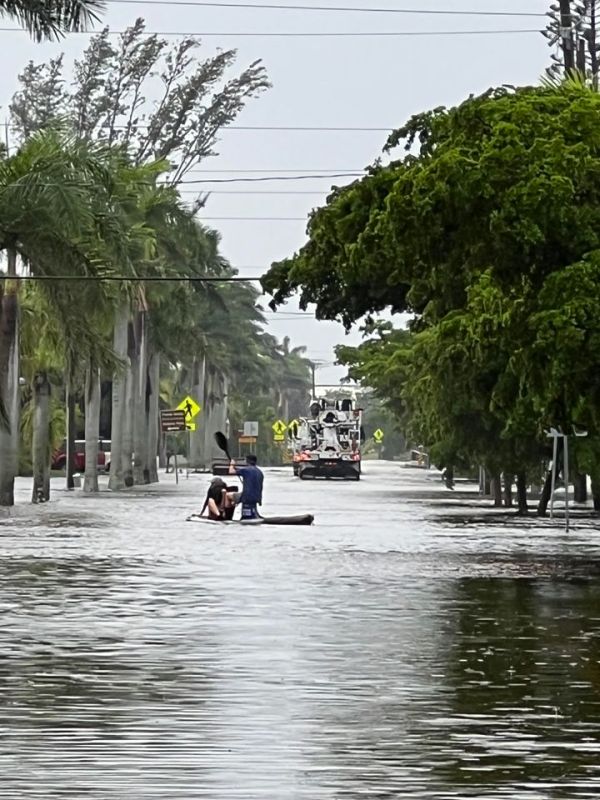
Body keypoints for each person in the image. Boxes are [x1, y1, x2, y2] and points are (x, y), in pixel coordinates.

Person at [229, 454, 264, 520]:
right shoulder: (260, 472)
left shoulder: (245, 470)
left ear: (247, 461)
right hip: (257, 498)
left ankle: (226, 516)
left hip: (246, 497)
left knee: (228, 495)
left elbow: (231, 471)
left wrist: (232, 464)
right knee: (235, 498)